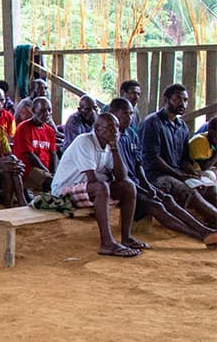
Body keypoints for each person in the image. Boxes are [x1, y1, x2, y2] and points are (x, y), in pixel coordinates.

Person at [107, 98, 217, 245]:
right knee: (157, 204)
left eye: (131, 114)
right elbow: (126, 172)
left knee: (167, 199)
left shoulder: (130, 134)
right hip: (125, 186)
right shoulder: (110, 138)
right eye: (125, 114)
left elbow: (139, 165)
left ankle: (205, 230)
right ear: (113, 114)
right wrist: (146, 189)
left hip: (139, 183)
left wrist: (149, 188)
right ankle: (202, 234)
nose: (130, 117)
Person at [50, 113, 141, 257]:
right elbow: (92, 178)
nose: (115, 131)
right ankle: (107, 243)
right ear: (97, 128)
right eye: (110, 127)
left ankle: (126, 237)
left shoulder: (108, 145)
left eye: (117, 127)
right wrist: (107, 176)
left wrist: (115, 148)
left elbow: (122, 176)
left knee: (128, 186)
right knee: (101, 187)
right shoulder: (84, 141)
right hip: (63, 191)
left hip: (87, 189)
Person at [138, 84, 217, 226]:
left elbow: (184, 159)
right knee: (188, 191)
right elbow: (152, 159)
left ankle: (211, 221)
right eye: (178, 99)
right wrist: (180, 176)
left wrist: (192, 174)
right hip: (156, 175)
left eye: (185, 100)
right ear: (166, 99)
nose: (183, 103)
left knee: (209, 187)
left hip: (176, 173)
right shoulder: (152, 122)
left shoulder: (182, 127)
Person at [14, 97, 58, 193]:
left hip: (45, 170)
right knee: (52, 183)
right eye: (42, 111)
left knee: (61, 180)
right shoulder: (23, 128)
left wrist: (54, 172)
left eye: (49, 110)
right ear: (33, 111)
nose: (46, 114)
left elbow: (53, 154)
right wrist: (47, 172)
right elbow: (29, 156)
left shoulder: (49, 130)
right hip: (29, 169)